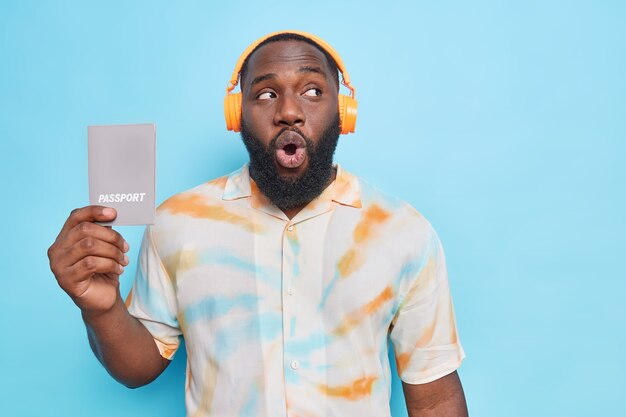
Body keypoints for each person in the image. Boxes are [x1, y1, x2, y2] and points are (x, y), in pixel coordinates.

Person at [47, 31, 468, 417]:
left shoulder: (402, 232)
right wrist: (101, 309)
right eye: (266, 94)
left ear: (343, 111)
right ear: (238, 113)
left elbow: (435, 397)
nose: (288, 111)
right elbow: (137, 368)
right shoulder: (177, 222)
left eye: (312, 91)